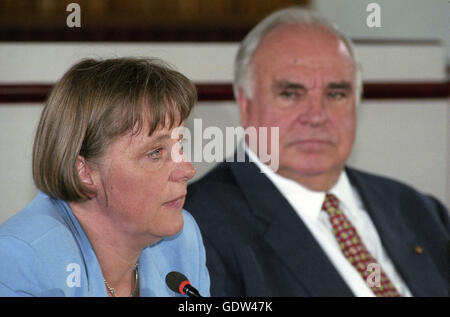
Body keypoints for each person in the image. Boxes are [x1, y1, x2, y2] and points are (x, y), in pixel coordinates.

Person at [185, 7, 449, 296]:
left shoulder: (419, 210)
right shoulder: (195, 225)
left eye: (335, 94)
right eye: (290, 94)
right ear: (245, 104)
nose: (316, 116)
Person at [0, 57, 210, 297]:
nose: (188, 170)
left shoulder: (182, 243)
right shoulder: (22, 261)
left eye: (180, 144)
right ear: (85, 172)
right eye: (156, 152)